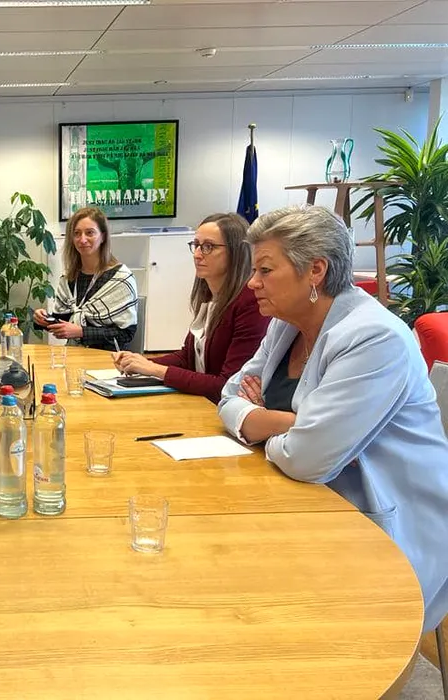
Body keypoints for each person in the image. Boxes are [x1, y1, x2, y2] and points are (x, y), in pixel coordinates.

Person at [218, 205, 448, 632]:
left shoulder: (374, 337)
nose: (251, 283)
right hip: (303, 501)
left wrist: (273, 424)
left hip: (379, 524)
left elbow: (307, 459)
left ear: (316, 270)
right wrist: (292, 422)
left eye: (265, 270)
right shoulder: (286, 324)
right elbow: (229, 397)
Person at [112, 213, 268, 403]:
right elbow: (187, 359)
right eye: (196, 245)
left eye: (208, 247)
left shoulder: (250, 303)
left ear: (236, 252)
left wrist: (155, 369)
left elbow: (227, 386)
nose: (197, 254)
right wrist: (139, 362)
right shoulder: (210, 297)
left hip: (223, 409)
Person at [32, 206, 139, 350]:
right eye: (77, 234)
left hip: (109, 356)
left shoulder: (121, 279)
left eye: (90, 233)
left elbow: (126, 334)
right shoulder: (68, 279)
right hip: (74, 353)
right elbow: (62, 321)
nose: (82, 240)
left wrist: (81, 332)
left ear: (103, 237)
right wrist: (43, 320)